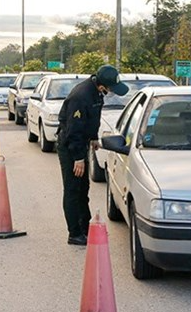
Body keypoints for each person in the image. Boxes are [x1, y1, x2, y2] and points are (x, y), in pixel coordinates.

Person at [57, 65, 129, 245]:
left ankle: (85, 227)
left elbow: (92, 119)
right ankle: (74, 233)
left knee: (83, 189)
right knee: (73, 190)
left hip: (82, 143)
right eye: (111, 89)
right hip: (71, 147)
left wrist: (93, 138)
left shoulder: (96, 93)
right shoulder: (80, 96)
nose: (112, 92)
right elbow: (73, 131)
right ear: (103, 85)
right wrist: (78, 159)